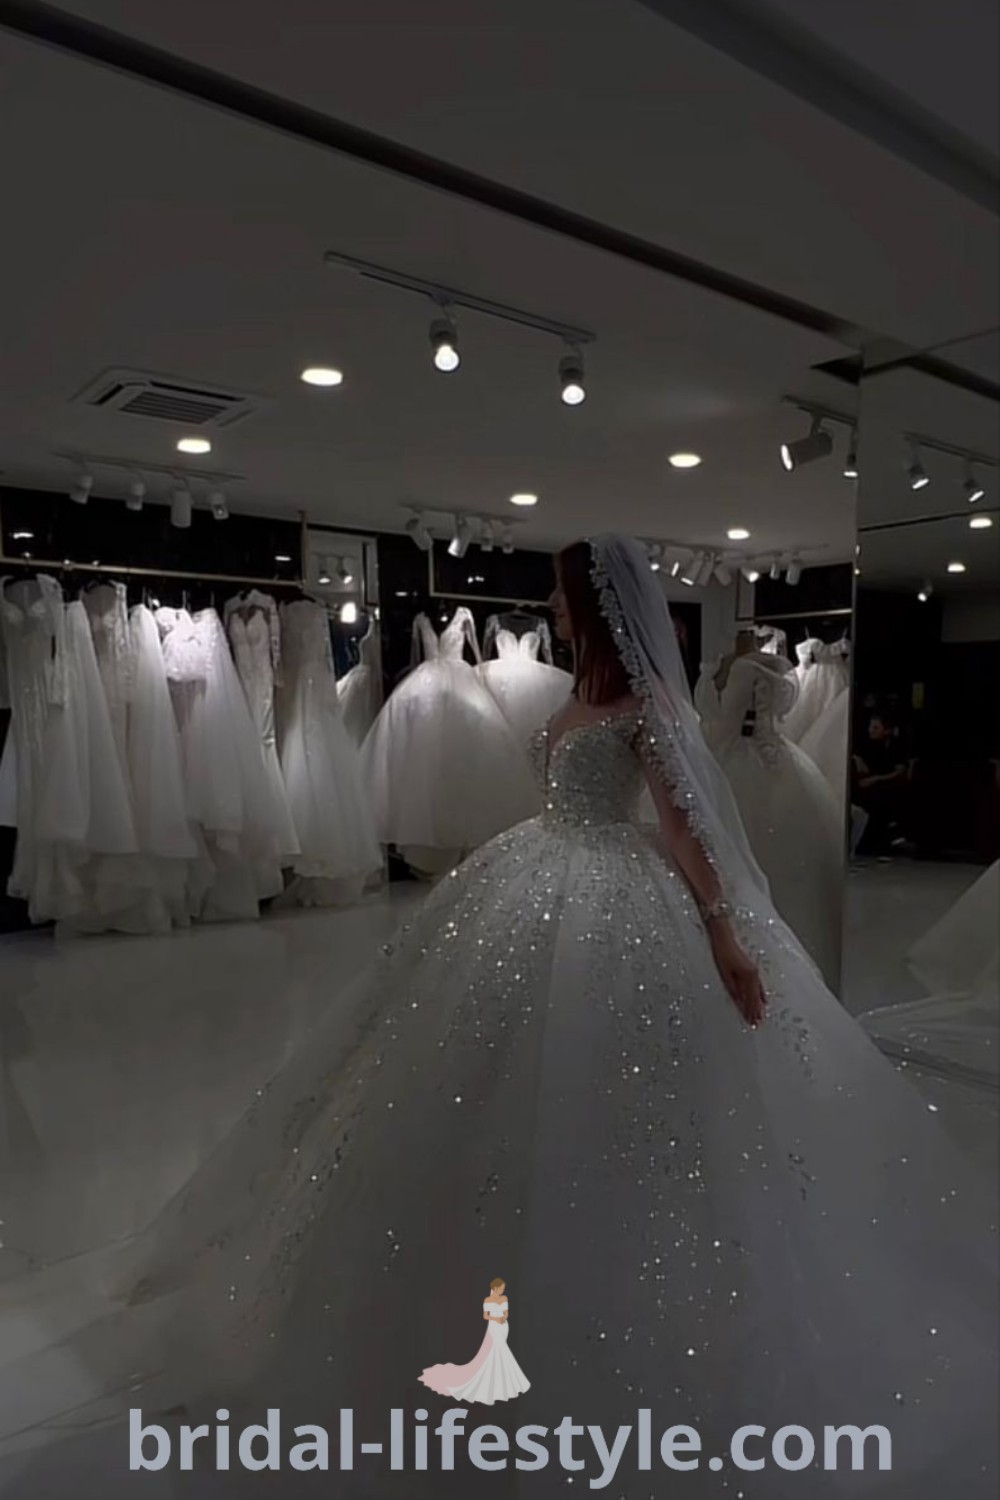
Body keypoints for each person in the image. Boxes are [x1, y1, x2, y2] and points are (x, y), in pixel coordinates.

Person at [6, 536, 995, 1499]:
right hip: (533, 872)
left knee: (609, 1092)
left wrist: (724, 933)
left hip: (614, 889)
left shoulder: (645, 710)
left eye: (569, 601)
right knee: (455, 1075)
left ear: (606, 610)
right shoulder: (577, 698)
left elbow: (690, 828)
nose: (557, 615)